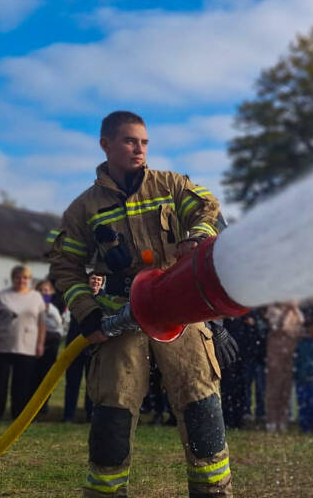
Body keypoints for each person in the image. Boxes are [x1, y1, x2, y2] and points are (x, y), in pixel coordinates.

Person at [46, 111, 235, 497]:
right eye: (131, 141)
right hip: (119, 315)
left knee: (200, 402)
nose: (139, 149)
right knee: (113, 412)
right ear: (106, 145)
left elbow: (209, 209)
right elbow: (65, 267)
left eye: (144, 142)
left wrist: (198, 236)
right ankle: (106, 491)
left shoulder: (170, 185)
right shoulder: (83, 209)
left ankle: (214, 491)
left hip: (178, 312)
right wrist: (90, 313)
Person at [0, 266, 45, 421]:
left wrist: (40, 344)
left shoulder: (36, 297)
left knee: (23, 384)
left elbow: (42, 323)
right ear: (13, 278)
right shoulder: (0, 296)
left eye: (25, 278)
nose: (21, 280)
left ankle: (20, 415)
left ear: (29, 280)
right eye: (18, 277)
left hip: (27, 346)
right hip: (2, 345)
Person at [63, 273, 102, 423]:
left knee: (92, 383)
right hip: (75, 346)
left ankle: (90, 413)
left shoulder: (105, 300)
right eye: (93, 278)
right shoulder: (78, 297)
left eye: (99, 280)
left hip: (94, 348)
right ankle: (68, 415)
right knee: (72, 382)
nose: (96, 282)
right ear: (87, 280)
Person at [265, 301, 303, 432]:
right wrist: (287, 312)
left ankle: (282, 419)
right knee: (274, 387)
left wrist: (294, 310)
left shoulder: (295, 311)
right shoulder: (273, 310)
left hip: (290, 353)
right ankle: (271, 420)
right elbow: (277, 327)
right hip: (275, 353)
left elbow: (301, 326)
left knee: (286, 388)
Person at [34, 279, 68, 415]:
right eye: (41, 290)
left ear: (51, 292)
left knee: (46, 376)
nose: (43, 293)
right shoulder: (32, 306)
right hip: (33, 344)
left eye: (46, 290)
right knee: (33, 376)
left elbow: (59, 326)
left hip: (50, 345)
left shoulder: (53, 309)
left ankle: (43, 405)